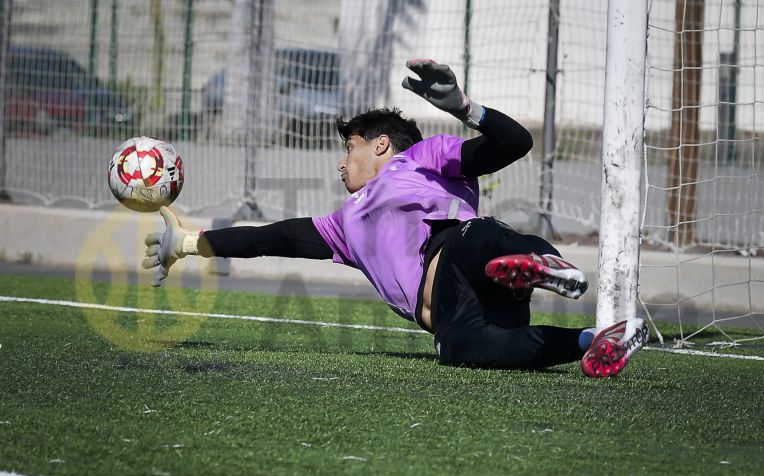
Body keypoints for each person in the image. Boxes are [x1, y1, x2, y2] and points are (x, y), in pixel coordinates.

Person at [142, 59, 648, 377]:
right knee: (468, 352)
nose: (342, 163)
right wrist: (186, 243)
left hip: (459, 254)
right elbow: (266, 238)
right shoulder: (342, 226)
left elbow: (516, 143)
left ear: (380, 144)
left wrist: (465, 107)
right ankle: (594, 342)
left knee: (482, 238)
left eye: (350, 147)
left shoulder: (423, 158)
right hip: (452, 317)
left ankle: (546, 265)